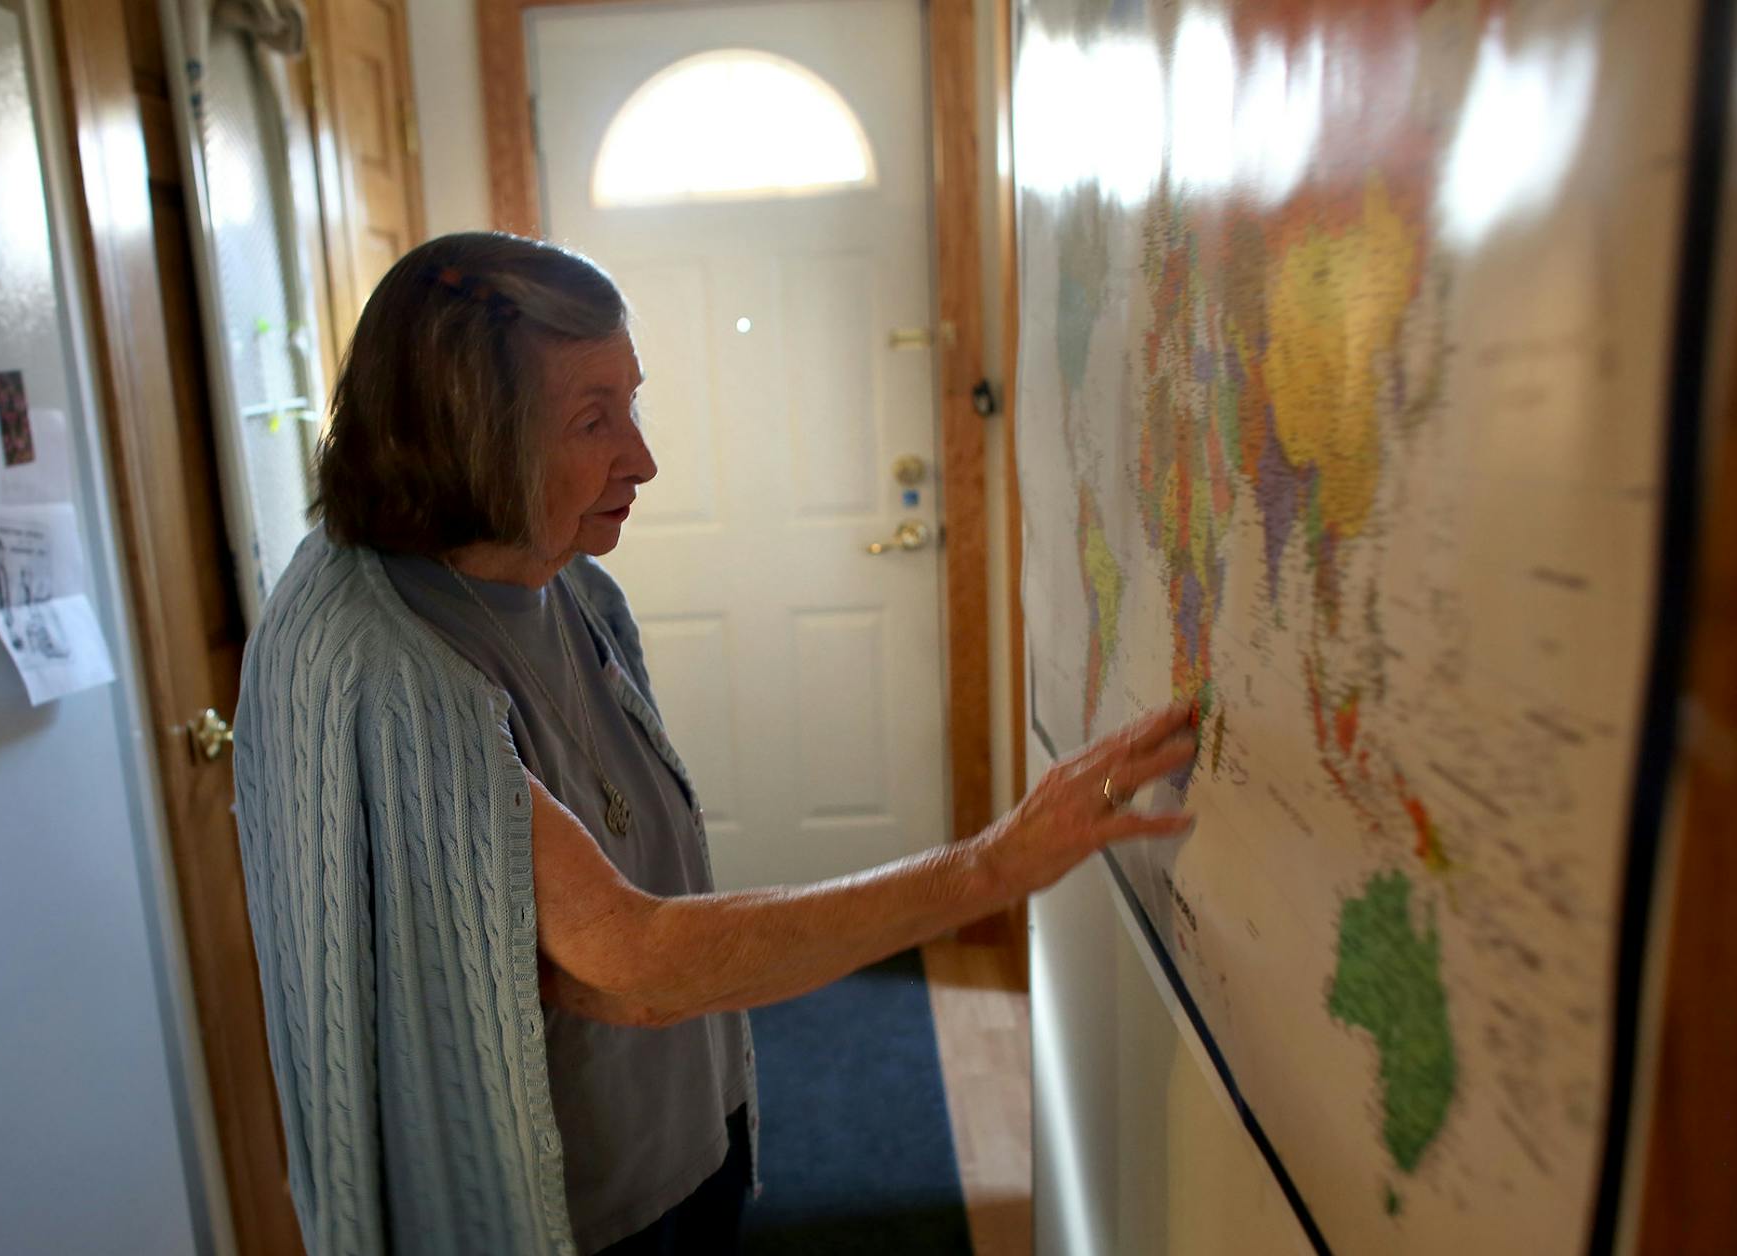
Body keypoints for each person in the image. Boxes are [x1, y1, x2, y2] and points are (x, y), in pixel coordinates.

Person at [231, 231, 1197, 1256]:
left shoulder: (569, 584)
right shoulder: (394, 668)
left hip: (689, 1141)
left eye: (631, 403)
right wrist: (993, 863)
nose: (641, 457)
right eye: (592, 421)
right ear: (469, 432)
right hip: (586, 1215)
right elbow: (634, 960)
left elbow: (609, 972)